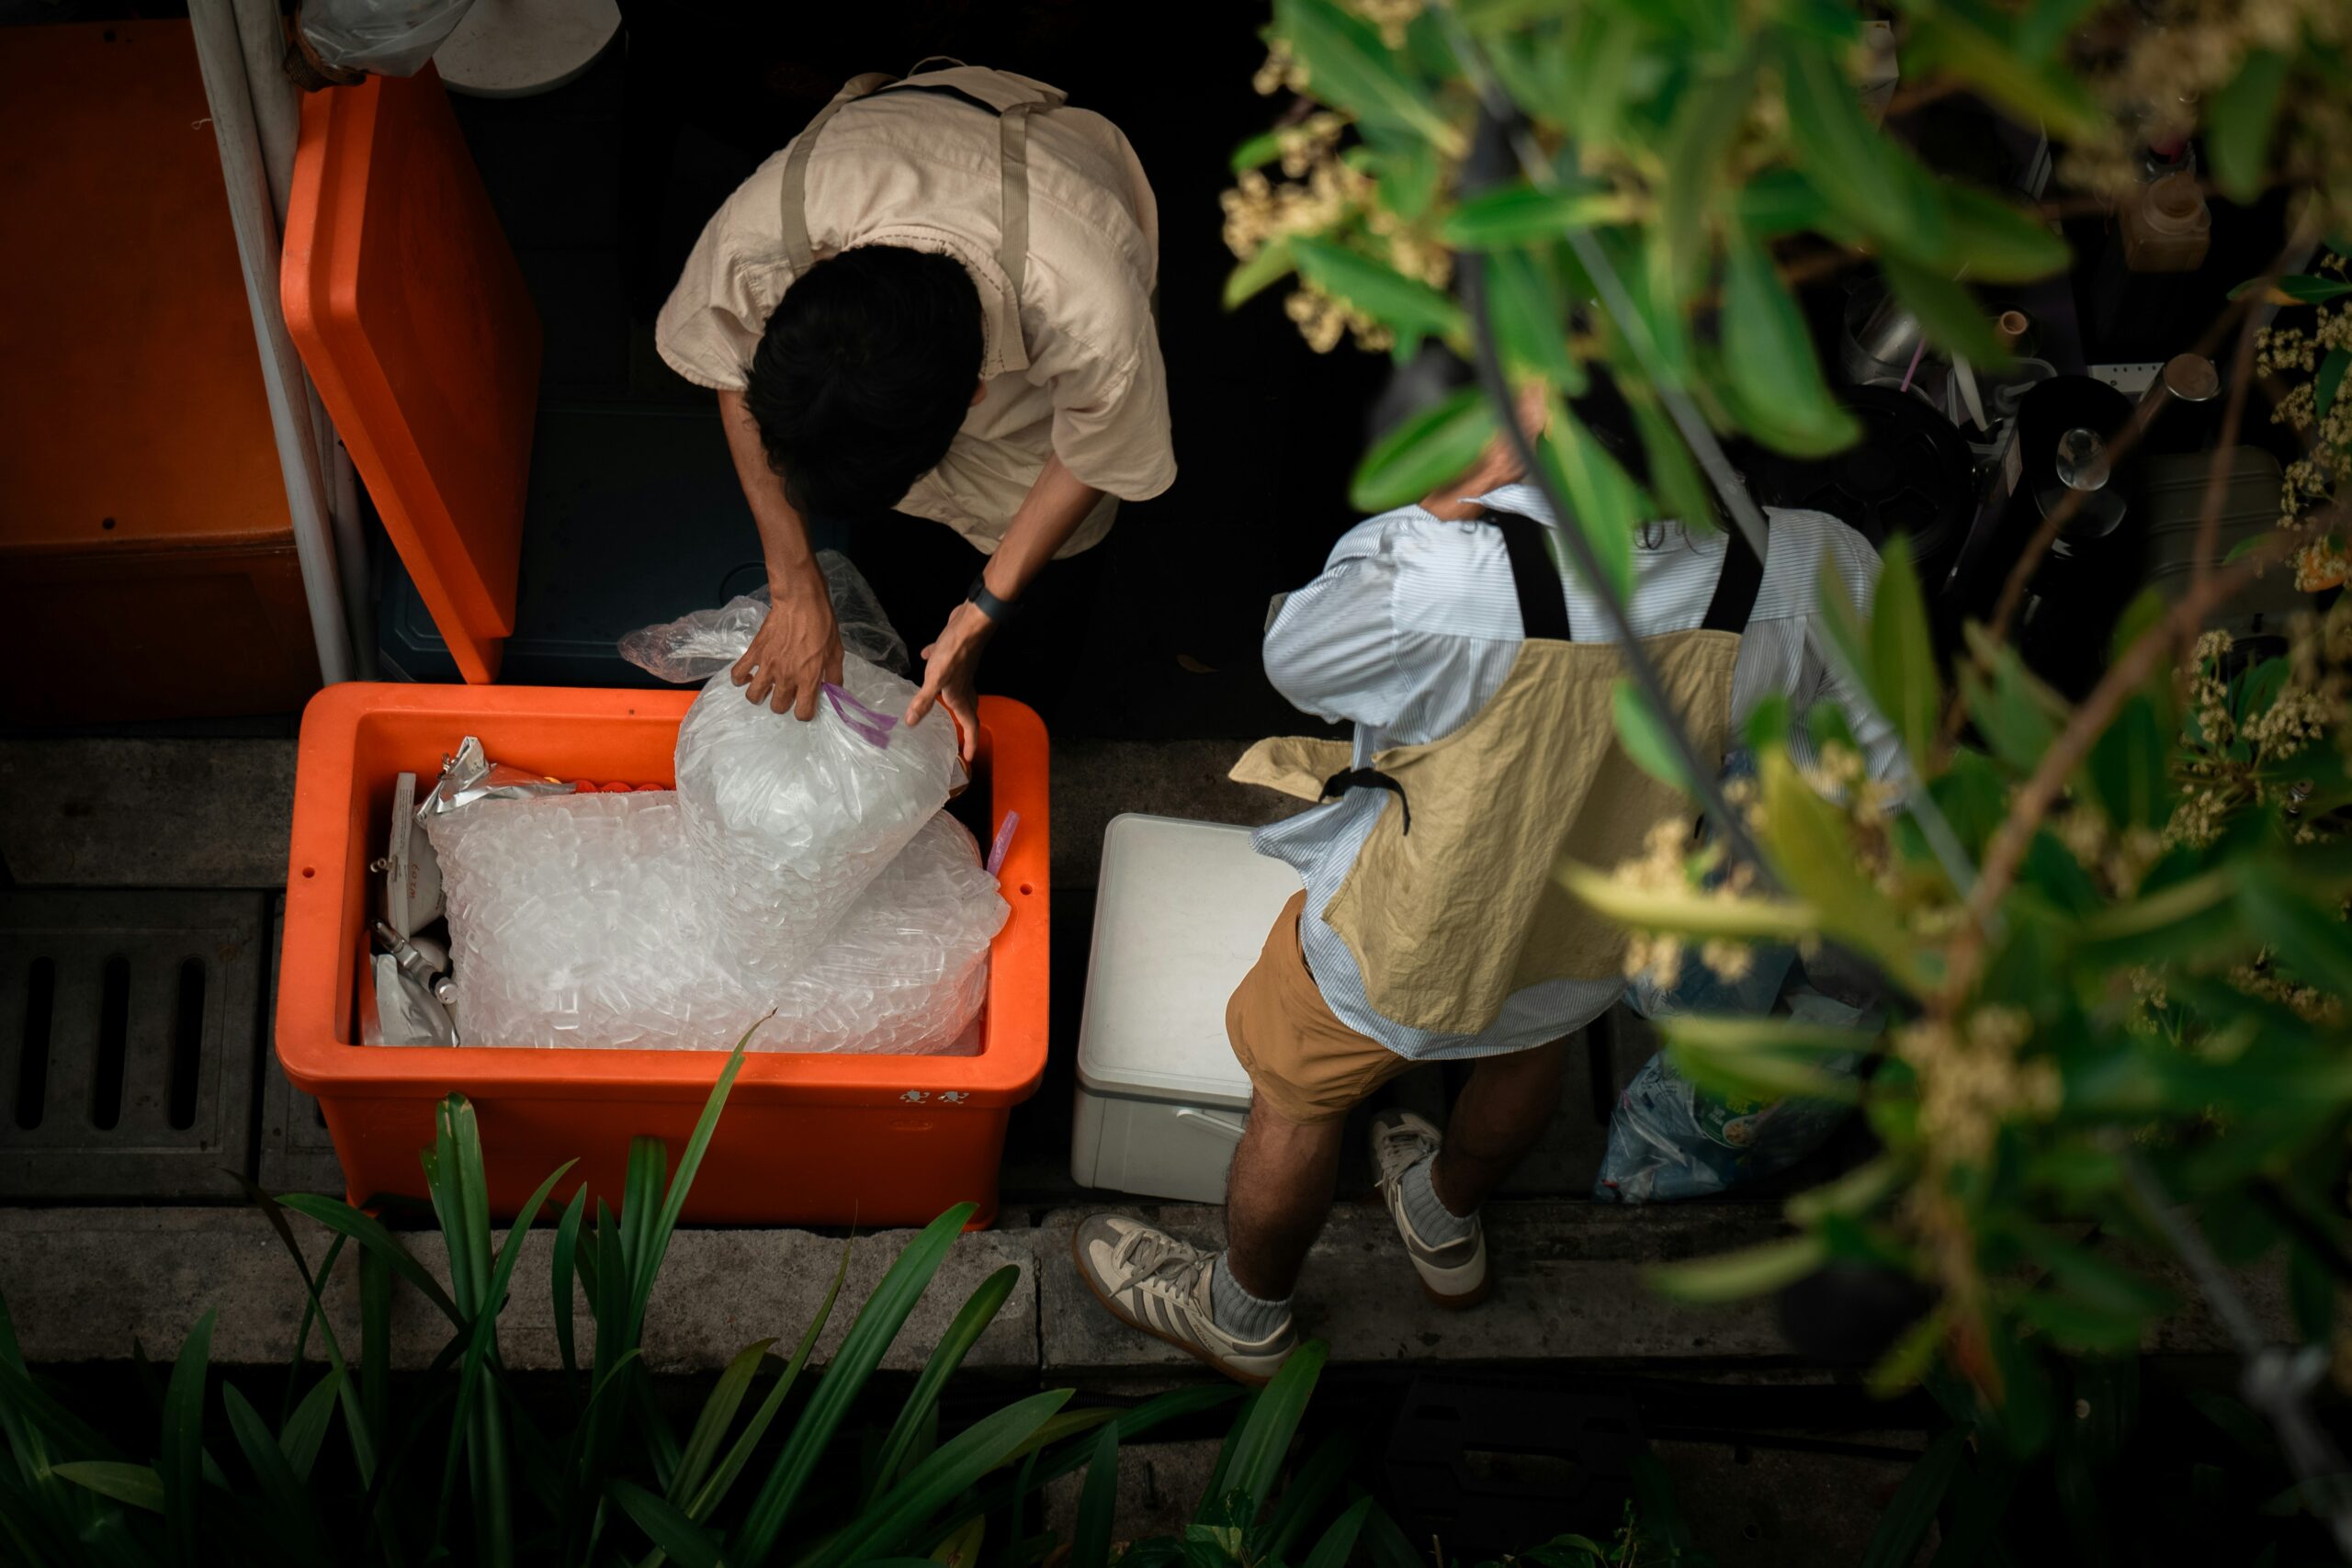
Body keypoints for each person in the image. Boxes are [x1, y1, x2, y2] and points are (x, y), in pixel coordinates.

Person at [1069, 389, 1902, 1384]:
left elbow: (1294, 655)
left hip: (1407, 929)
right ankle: (1442, 1218)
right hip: (1596, 922)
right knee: (1525, 1050)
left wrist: (1442, 502)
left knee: (1294, 1104)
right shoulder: (1813, 567)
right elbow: (1872, 783)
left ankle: (1242, 1313)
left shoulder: (1446, 575)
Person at [655, 60, 1174, 756]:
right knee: (898, 565)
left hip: (1048, 290)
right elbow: (731, 363)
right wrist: (793, 581)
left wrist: (982, 612)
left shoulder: (1091, 310)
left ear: (973, 399)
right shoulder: (762, 232)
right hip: (899, 224)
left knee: (1036, 631)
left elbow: (1098, 447)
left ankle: (1009, 722)